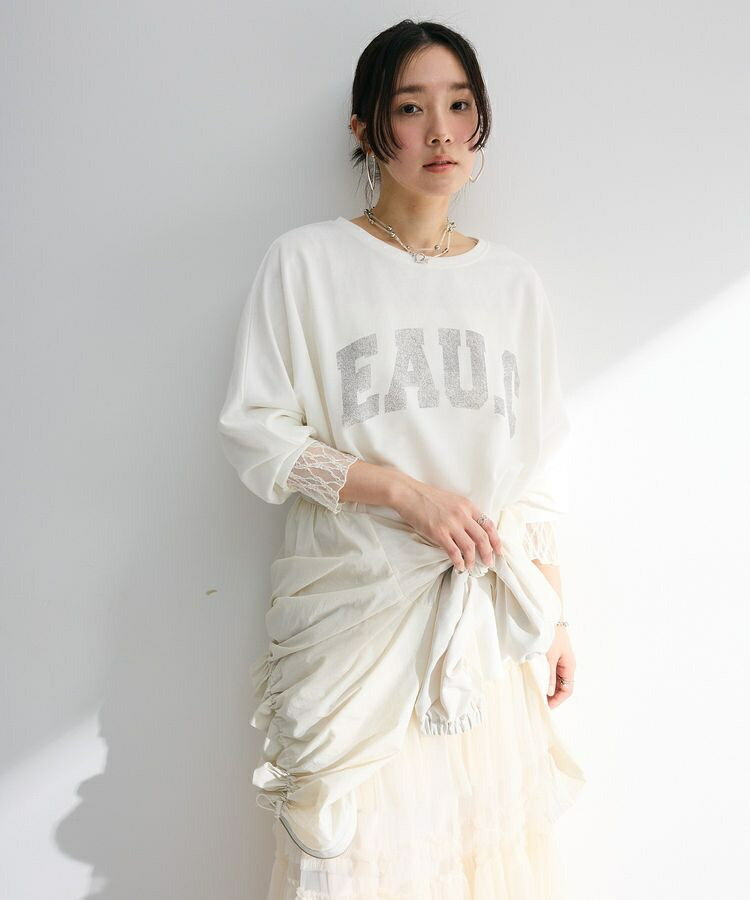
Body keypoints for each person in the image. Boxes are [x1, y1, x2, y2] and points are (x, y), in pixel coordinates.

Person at [218, 18, 586, 899]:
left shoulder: (513, 286)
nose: (441, 132)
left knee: (476, 860)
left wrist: (555, 616)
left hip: (482, 626)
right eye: (411, 108)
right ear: (366, 127)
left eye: (459, 105)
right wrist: (401, 493)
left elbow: (532, 472)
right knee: (354, 861)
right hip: (356, 621)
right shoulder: (307, 263)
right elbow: (257, 431)